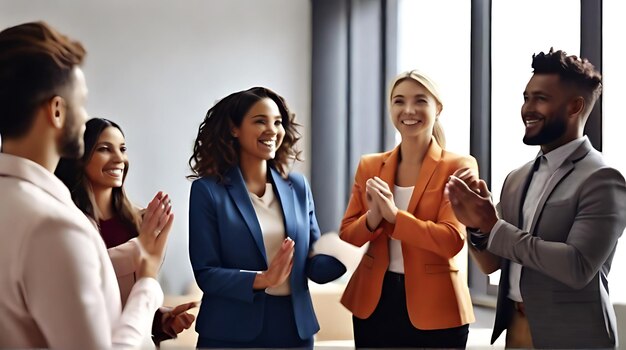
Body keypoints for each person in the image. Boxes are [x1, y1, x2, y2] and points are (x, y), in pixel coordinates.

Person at [0, 21, 173, 348]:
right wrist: (148, 282)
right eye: (82, 102)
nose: (85, 117)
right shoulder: (55, 227)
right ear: (56, 110)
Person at [445, 48, 626, 348]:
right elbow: (493, 263)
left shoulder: (603, 180)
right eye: (526, 97)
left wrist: (493, 227)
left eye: (540, 98)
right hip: (516, 330)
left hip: (574, 338)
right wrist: (476, 227)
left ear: (574, 106)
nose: (527, 108)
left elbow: (577, 267)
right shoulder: (516, 178)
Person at [188, 86, 346, 348]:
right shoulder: (208, 191)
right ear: (233, 129)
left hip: (294, 330)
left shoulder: (298, 186)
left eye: (278, 122)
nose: (273, 130)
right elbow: (207, 273)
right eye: (260, 121)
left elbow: (313, 262)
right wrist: (263, 279)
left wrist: (356, 240)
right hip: (230, 332)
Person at [339, 70, 477, 348]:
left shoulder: (459, 165)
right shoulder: (370, 165)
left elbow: (451, 240)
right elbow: (349, 235)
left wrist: (394, 216)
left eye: (420, 101)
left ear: (438, 108)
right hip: (374, 302)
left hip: (437, 306)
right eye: (399, 101)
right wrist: (373, 217)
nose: (409, 110)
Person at [55, 117, 196, 344]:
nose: (119, 158)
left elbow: (136, 300)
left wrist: (161, 320)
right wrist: (140, 248)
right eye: (104, 149)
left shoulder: (141, 221)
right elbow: (84, 273)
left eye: (122, 149)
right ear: (80, 158)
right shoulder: (67, 221)